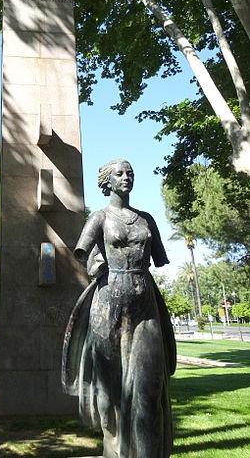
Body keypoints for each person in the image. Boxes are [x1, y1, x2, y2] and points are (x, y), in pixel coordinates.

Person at [62, 159, 176, 458]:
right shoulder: (99, 218)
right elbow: (82, 254)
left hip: (145, 307)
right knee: (109, 396)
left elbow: (159, 258)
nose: (127, 178)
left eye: (130, 173)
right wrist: (96, 263)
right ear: (107, 182)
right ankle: (115, 451)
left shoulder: (146, 219)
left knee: (149, 392)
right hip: (107, 309)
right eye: (120, 174)